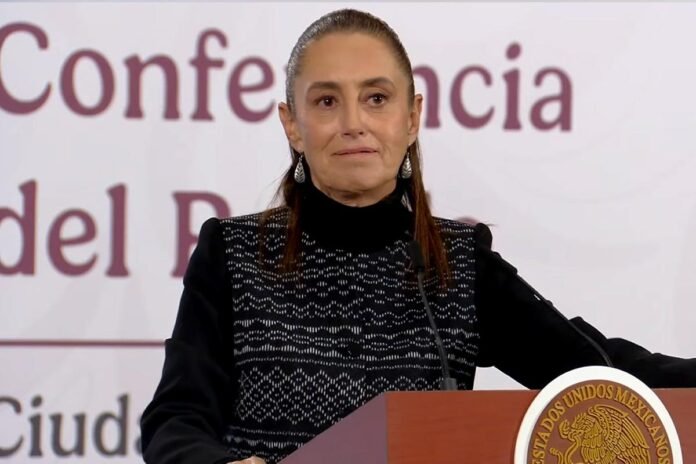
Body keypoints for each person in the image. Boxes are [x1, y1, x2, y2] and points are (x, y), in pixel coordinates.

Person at [140, 9, 696, 464]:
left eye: (376, 98)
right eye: (327, 101)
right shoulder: (232, 254)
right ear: (293, 125)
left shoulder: (457, 264)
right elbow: (176, 419)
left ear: (411, 118)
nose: (353, 122)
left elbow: (598, 372)